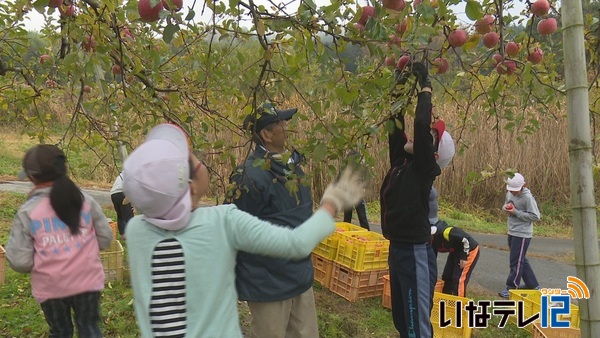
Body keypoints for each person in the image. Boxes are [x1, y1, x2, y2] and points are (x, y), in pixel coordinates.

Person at [123, 123, 365, 337]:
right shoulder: (222, 223)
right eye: (194, 160)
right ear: (191, 187)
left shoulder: (136, 232)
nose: (199, 160)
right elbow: (296, 244)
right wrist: (330, 204)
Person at [227, 102, 320, 338]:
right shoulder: (247, 177)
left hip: (299, 277)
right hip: (269, 284)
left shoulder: (293, 166)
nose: (285, 128)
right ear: (266, 134)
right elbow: (240, 233)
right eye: (279, 123)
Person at [6, 144, 113, 338]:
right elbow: (105, 237)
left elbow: (19, 260)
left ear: (32, 178)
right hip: (87, 280)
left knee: (60, 332)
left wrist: (46, 260)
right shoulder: (86, 201)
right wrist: (81, 252)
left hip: (51, 286)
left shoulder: (28, 211)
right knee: (89, 328)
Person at [380, 62, 451, 337]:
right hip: (397, 249)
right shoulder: (401, 161)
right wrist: (400, 84)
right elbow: (394, 124)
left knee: (416, 328)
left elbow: (421, 125)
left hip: (414, 253)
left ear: (432, 153)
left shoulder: (424, 170)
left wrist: (425, 86)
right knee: (402, 323)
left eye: (432, 137)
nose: (424, 134)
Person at [498, 172, 541, 298]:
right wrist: (506, 208)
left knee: (515, 261)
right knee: (519, 259)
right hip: (512, 230)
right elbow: (504, 207)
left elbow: (535, 216)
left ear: (523, 186)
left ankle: (512, 287)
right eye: (511, 190)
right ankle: (532, 285)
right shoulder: (509, 193)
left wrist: (516, 212)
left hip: (522, 233)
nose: (513, 193)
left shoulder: (527, 198)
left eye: (515, 191)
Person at [431, 221, 480, 297]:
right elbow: (432, 259)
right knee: (447, 276)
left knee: (458, 279)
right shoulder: (431, 242)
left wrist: (464, 257)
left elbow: (465, 240)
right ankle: (446, 300)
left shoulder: (447, 232)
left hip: (469, 251)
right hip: (455, 251)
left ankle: (459, 305)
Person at [342, 150, 370, 230]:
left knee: (362, 217)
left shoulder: (361, 167)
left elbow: (366, 178)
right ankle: (346, 234)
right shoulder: (346, 167)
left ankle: (367, 233)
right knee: (347, 218)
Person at [110, 172, 134, 238]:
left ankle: (122, 234)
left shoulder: (122, 174)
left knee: (120, 215)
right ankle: (132, 235)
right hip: (123, 192)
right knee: (128, 215)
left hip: (113, 193)